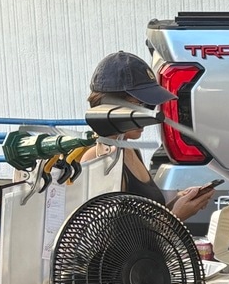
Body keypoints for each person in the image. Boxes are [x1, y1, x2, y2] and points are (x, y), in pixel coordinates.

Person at [83, 51, 213, 222]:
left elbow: (143, 219)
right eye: (140, 105)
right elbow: (108, 235)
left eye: (150, 106)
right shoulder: (100, 159)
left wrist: (177, 203)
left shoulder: (130, 150)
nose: (149, 114)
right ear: (111, 104)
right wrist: (176, 216)